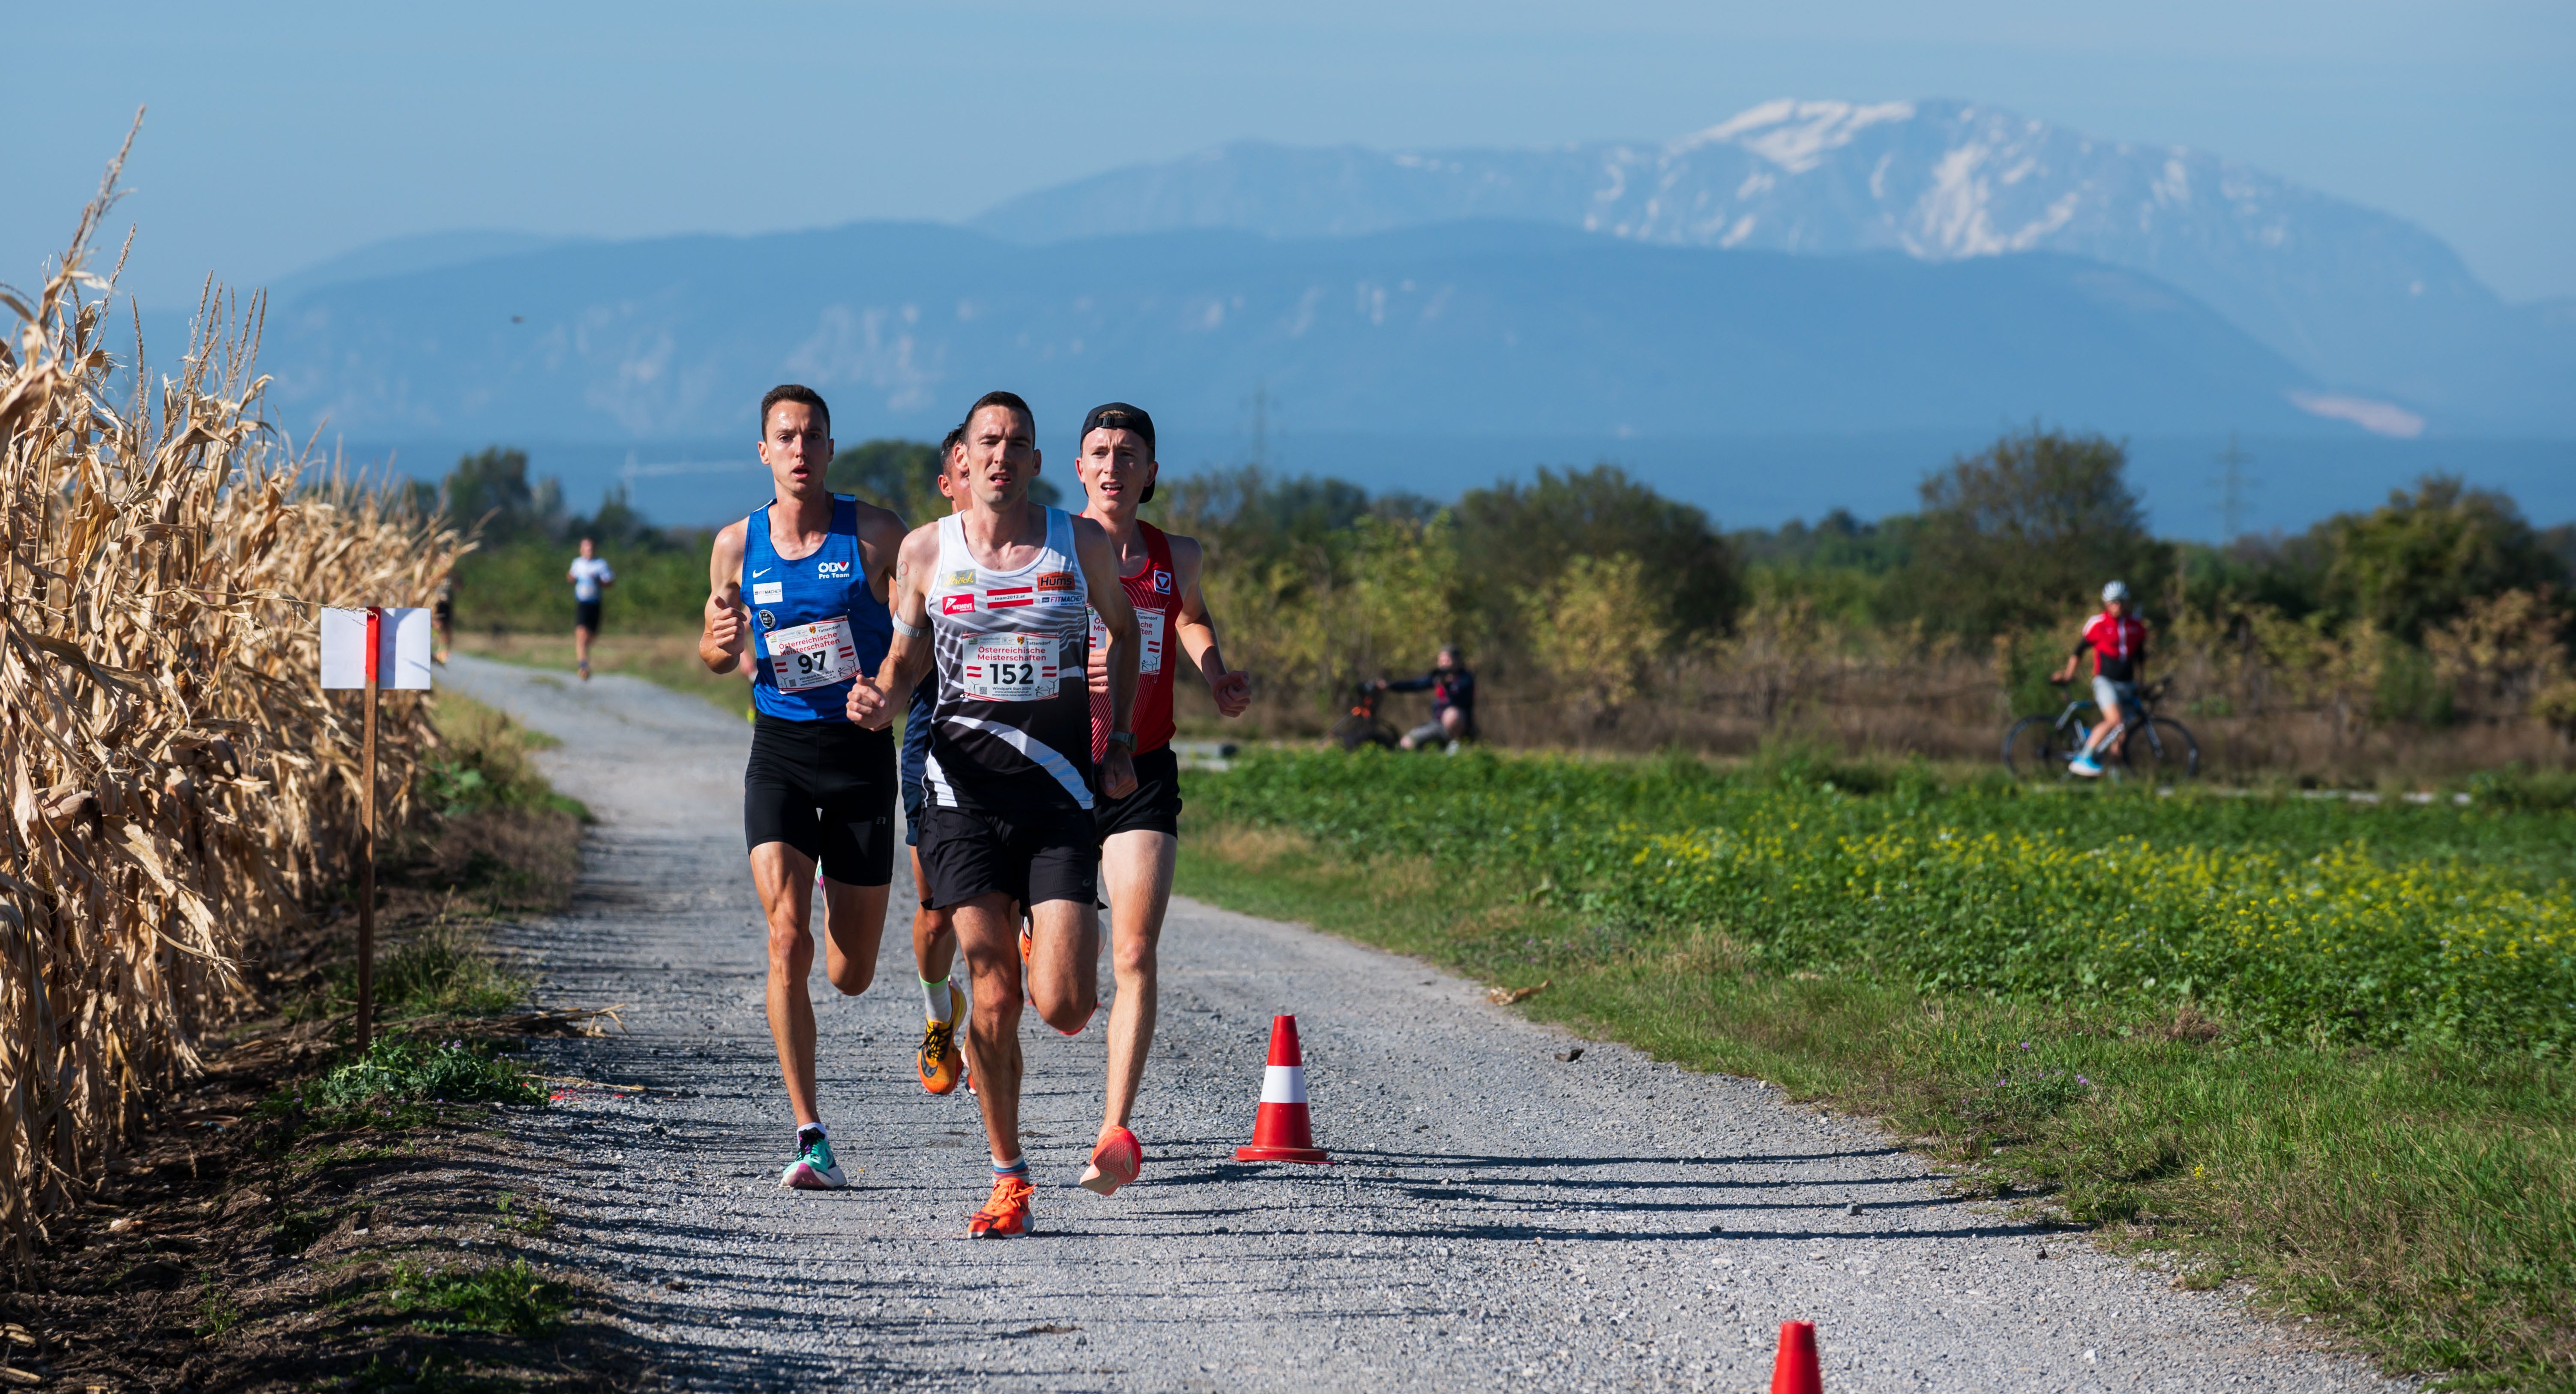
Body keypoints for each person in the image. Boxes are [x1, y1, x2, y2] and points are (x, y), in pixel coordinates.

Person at [848, 390, 1141, 1239]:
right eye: (988, 442)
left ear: (1036, 463)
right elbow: (905, 661)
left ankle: (1040, 935)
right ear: (964, 462)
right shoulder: (924, 551)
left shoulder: (1078, 543)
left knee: (1065, 1006)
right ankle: (1009, 1175)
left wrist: (1118, 735)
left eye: (1017, 442)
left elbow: (1120, 633)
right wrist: (882, 695)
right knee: (993, 990)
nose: (1002, 455)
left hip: (1056, 798)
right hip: (958, 798)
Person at [698, 384, 908, 1190]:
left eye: (811, 436)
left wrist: (888, 683)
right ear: (763, 450)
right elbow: (715, 650)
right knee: (787, 938)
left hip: (858, 756)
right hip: (779, 750)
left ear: (829, 450)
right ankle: (810, 1132)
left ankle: (833, 881)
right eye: (783, 436)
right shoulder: (734, 544)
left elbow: (917, 633)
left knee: (849, 971)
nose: (797, 449)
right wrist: (719, 644)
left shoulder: (877, 532)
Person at [1066, 402, 1251, 1196]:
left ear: (1150, 472)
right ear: (1078, 468)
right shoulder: (1053, 547)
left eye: (1128, 453)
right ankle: (1045, 928)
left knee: (1135, 951)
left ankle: (1115, 1131)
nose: (1113, 465)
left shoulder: (1178, 553)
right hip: (1055, 771)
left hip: (1141, 770)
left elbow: (1192, 616)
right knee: (1066, 1003)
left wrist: (1213, 672)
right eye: (1099, 452)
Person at [908, 423, 971, 1097]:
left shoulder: (1036, 552)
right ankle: (938, 1015)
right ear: (949, 483)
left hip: (1015, 749)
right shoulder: (924, 551)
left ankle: (990, 1032)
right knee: (935, 915)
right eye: (963, 469)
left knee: (998, 908)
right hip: (930, 735)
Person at [2052, 580, 2148, 779]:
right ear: (2106, 603)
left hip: (2127, 683)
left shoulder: (2136, 626)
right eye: (2113, 602)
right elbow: (2078, 651)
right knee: (2115, 720)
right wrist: (2069, 674)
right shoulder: (2098, 624)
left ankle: (2114, 776)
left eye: (2121, 601)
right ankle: (2083, 758)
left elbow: (2140, 658)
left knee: (2121, 733)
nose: (2118, 606)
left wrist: (2142, 683)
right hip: (2105, 681)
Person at [1378, 646, 1476, 751]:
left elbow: (1460, 691)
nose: (1444, 664)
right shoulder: (1438, 678)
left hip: (1460, 724)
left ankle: (1456, 745)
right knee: (1406, 743)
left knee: (1452, 714)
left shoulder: (1466, 678)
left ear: (1458, 661)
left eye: (1447, 660)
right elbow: (1415, 685)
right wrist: (1390, 686)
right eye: (1441, 661)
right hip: (1437, 724)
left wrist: (1449, 685)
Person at [567, 537, 615, 680]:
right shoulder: (577, 563)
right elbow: (570, 577)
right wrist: (571, 578)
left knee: (591, 637)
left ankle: (584, 656)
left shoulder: (601, 565)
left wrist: (598, 580)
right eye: (586, 548)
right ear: (581, 549)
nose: (588, 551)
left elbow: (610, 583)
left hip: (595, 604)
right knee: (581, 635)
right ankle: (583, 665)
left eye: (591, 548)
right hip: (582, 603)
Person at [431, 569, 455, 665]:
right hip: (436, 602)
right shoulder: (433, 568)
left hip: (447, 602)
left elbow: (458, 586)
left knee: (446, 628)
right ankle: (439, 651)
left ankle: (443, 652)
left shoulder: (451, 571)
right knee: (438, 627)